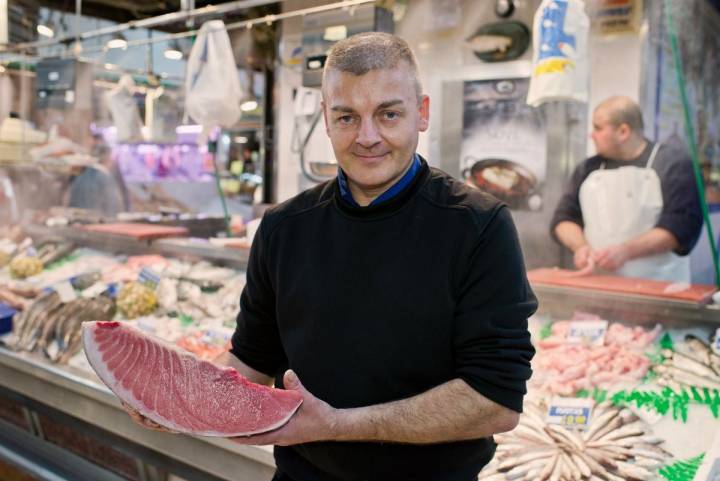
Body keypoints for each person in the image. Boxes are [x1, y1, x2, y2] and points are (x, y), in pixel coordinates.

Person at [128, 32, 537, 481]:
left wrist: (338, 425)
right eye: (346, 117)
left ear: (421, 114)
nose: (367, 137)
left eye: (388, 114)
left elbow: (496, 400)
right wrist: (178, 398)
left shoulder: (478, 225)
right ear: (325, 119)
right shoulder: (284, 227)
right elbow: (252, 363)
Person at [551, 96, 703, 282]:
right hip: (599, 288)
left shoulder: (673, 164)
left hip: (659, 288)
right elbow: (563, 218)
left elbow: (682, 226)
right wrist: (581, 247)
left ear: (623, 131)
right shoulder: (587, 169)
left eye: (598, 128)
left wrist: (626, 251)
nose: (592, 135)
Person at [68, 135, 129, 217]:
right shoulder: (104, 177)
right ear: (108, 157)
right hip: (100, 223)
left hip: (79, 223)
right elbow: (113, 206)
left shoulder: (81, 175)